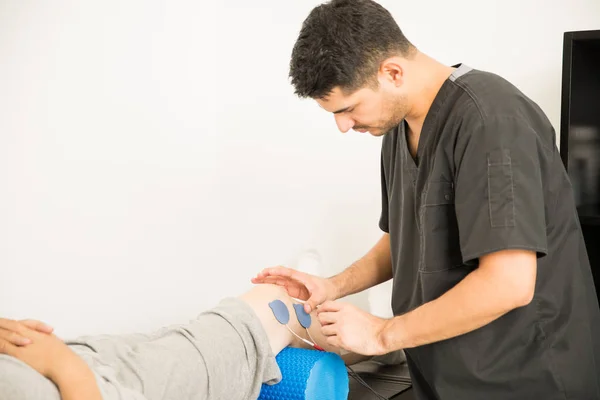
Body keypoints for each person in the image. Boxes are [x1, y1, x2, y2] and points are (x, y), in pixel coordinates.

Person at [252, 0, 600, 399]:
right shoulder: (397, 129)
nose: (343, 126)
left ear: (393, 72)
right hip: (444, 374)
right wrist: (332, 286)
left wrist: (382, 334)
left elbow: (509, 284)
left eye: (348, 109)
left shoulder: (491, 121)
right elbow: (406, 238)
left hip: (524, 378)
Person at [0, 283, 362, 400]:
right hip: (106, 384)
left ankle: (387, 344)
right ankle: (390, 348)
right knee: (273, 304)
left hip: (86, 356)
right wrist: (63, 365)